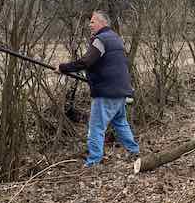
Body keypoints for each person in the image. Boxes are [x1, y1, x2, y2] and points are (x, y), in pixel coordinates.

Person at [57, 11, 139, 167]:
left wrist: (63, 68)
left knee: (96, 127)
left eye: (93, 22)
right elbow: (110, 64)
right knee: (120, 122)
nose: (90, 25)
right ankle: (134, 151)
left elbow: (86, 62)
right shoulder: (116, 38)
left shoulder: (100, 40)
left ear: (103, 23)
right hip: (121, 90)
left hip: (106, 92)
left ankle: (93, 162)